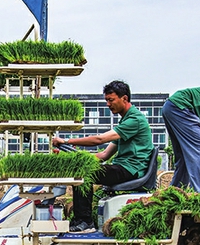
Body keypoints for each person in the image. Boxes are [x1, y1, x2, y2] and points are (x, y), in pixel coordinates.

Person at [51, 80, 154, 231]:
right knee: (82, 168)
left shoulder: (134, 120)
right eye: (106, 100)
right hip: (123, 168)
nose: (108, 104)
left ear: (124, 98)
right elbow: (104, 154)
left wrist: (66, 140)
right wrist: (76, 158)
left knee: (84, 173)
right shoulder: (125, 122)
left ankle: (85, 222)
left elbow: (100, 140)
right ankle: (80, 220)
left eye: (111, 100)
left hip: (130, 170)